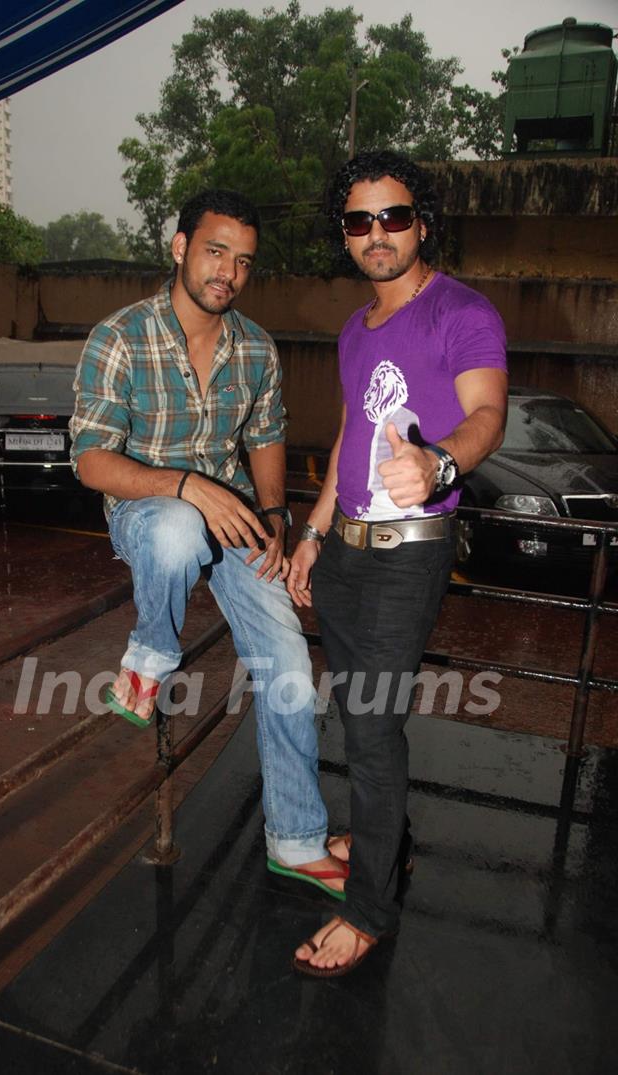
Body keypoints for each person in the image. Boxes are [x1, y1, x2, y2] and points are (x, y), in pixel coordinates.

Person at [70, 188, 347, 887]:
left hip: (234, 517)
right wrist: (188, 487)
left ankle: (295, 836)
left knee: (287, 659)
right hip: (149, 512)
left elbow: (267, 435)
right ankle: (148, 659)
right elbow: (91, 460)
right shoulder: (120, 336)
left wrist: (277, 519)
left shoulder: (254, 346)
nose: (229, 271)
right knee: (173, 527)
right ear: (180, 247)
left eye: (245, 261)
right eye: (217, 251)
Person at [287, 150, 508, 977]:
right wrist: (311, 531)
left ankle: (369, 906)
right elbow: (349, 433)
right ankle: (392, 840)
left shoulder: (462, 310)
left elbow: (489, 412)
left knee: (373, 733)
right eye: (359, 220)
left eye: (394, 216)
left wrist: (440, 463)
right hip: (344, 551)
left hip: (406, 557)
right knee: (359, 715)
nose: (378, 233)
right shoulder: (355, 329)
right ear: (344, 236)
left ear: (423, 222)